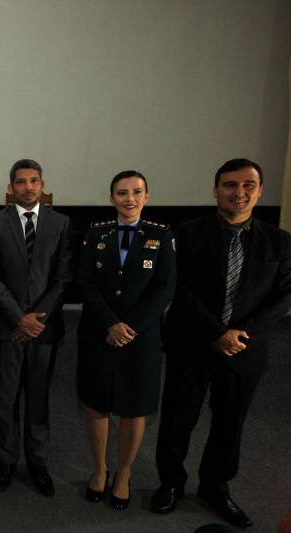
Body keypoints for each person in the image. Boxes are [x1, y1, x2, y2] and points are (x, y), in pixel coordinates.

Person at [151, 158, 291, 528]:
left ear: (260, 191)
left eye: (248, 185)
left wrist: (239, 334)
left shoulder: (279, 242)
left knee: (230, 423)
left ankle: (215, 487)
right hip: (191, 342)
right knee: (178, 418)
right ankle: (170, 483)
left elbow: (284, 297)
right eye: (230, 185)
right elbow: (178, 287)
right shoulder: (185, 233)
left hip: (245, 349)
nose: (239, 192)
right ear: (216, 190)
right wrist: (216, 332)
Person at [77, 171, 176, 510]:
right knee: (97, 402)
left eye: (136, 192)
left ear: (147, 196)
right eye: (122, 193)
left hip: (141, 336)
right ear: (112, 198)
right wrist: (110, 323)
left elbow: (165, 287)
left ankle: (124, 473)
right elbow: (86, 282)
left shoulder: (161, 235)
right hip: (98, 332)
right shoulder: (96, 233)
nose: (129, 198)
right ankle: (99, 469)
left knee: (135, 405)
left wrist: (129, 326)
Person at [0, 158, 73, 497]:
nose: (28, 187)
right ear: (10, 188)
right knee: (6, 400)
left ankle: (37, 463)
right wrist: (20, 318)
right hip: (8, 327)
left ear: (42, 185)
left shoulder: (61, 223)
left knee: (38, 398)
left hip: (44, 329)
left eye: (34, 181)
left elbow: (63, 277)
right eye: (21, 182)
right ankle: (5, 461)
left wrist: (37, 319)